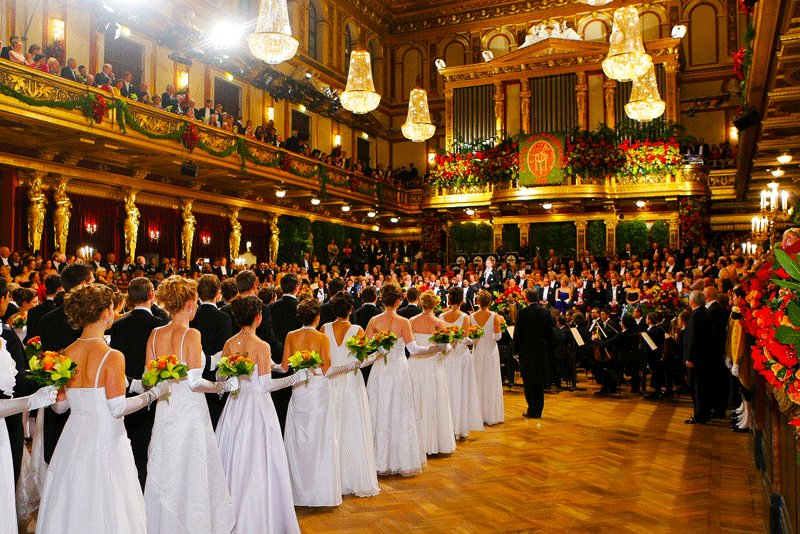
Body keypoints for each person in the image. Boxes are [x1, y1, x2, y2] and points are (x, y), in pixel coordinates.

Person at [37, 284, 168, 534]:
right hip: (107, 438)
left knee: (71, 501)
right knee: (111, 502)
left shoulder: (65, 354)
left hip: (73, 439)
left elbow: (59, 407)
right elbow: (118, 407)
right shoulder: (112, 356)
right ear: (104, 312)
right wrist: (153, 394)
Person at [144, 276, 236, 533]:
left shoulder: (154, 334)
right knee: (193, 467)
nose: (196, 306)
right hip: (191, 410)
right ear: (187, 304)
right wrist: (223, 386)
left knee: (166, 466)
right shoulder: (191, 334)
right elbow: (195, 382)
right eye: (195, 301)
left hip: (165, 408)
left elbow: (147, 380)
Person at [215, 296, 303, 533]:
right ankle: (260, 514)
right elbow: (265, 386)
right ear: (258, 317)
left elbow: (221, 378)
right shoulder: (262, 345)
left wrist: (273, 367)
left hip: (235, 405)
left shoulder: (230, 343)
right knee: (260, 458)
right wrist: (295, 378)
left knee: (234, 455)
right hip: (257, 408)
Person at [365, 282, 438, 476]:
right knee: (401, 411)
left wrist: (378, 348)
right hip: (399, 370)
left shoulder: (374, 321)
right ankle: (401, 459)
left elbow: (363, 347)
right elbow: (414, 350)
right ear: (399, 300)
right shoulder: (404, 322)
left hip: (380, 369)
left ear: (382, 299)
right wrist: (435, 348)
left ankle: (378, 459)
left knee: (379, 410)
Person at [280, 297, 341, 507]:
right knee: (321, 439)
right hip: (318, 391)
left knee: (298, 439)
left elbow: (285, 367)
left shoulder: (290, 335)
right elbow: (326, 369)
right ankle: (320, 491)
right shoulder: (322, 338)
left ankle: (298, 491)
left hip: (299, 391)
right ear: (317, 317)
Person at [321, 292, 380, 497]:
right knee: (352, 428)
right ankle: (352, 477)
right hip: (351, 384)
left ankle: (333, 478)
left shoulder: (324, 328)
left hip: (330, 383)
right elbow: (361, 362)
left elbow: (324, 361)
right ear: (350, 310)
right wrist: (378, 354)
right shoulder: (357, 330)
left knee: (334, 428)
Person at [107, 277, 165, 489]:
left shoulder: (118, 324)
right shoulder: (159, 325)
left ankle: (125, 485)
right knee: (146, 445)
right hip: (151, 392)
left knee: (126, 443)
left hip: (123, 391)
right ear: (151, 295)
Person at [40, 264, 93, 464]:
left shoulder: (47, 319)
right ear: (83, 284)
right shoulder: (88, 320)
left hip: (56, 392)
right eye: (92, 281)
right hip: (84, 398)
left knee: (58, 460)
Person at [408, 291, 455, 456]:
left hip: (414, 364)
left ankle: (415, 443)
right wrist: (443, 354)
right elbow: (446, 347)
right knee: (432, 401)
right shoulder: (438, 323)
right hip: (432, 365)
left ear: (421, 303)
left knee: (415, 401)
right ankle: (432, 442)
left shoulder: (411, 321)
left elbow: (409, 345)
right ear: (435, 304)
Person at [189, 275, 233, 429]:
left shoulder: (191, 316)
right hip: (213, 378)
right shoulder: (223, 318)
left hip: (191, 376)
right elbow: (223, 353)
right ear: (218, 292)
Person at [439, 287, 483, 440]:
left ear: (449, 300)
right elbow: (465, 338)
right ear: (462, 300)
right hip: (461, 356)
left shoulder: (441, 316)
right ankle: (459, 428)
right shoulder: (465, 317)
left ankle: (447, 426)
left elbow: (442, 338)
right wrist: (474, 340)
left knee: (447, 389)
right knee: (461, 390)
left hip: (447, 356)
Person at [268, 273, 301, 432]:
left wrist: (279, 352)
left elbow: (269, 334)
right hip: (298, 360)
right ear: (297, 288)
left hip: (275, 360)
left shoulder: (271, 308)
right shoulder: (301, 307)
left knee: (278, 403)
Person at [514, 288, 553, 418]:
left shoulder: (522, 313)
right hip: (541, 351)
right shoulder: (546, 312)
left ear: (526, 299)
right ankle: (539, 410)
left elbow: (517, 334)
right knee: (539, 382)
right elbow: (549, 334)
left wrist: (515, 351)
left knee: (528, 382)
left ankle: (532, 409)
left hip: (527, 352)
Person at [471, 290, 505, 425]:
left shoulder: (472, 316)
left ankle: (477, 414)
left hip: (478, 350)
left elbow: (472, 337)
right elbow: (497, 337)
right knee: (491, 380)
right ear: (490, 302)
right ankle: (490, 414)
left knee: (478, 380)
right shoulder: (495, 316)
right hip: (490, 351)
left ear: (478, 302)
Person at [684, 290, 713, 424]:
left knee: (697, 388)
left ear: (693, 301)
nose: (688, 300)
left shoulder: (696, 315)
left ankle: (699, 415)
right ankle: (703, 413)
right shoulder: (703, 313)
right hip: (703, 357)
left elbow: (693, 339)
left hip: (696, 359)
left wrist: (690, 358)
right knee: (701, 387)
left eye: (689, 298)